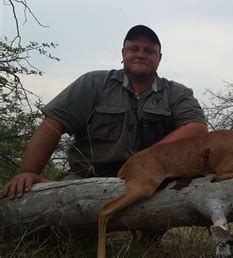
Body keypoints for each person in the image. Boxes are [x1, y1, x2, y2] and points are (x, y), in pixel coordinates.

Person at [3, 25, 207, 199]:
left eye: (149, 51)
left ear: (159, 57)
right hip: (88, 179)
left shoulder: (177, 93)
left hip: (151, 178)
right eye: (134, 48)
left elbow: (196, 128)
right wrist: (28, 172)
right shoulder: (93, 83)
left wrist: (145, 160)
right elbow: (53, 124)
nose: (140, 54)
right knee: (58, 222)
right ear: (123, 53)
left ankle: (148, 237)